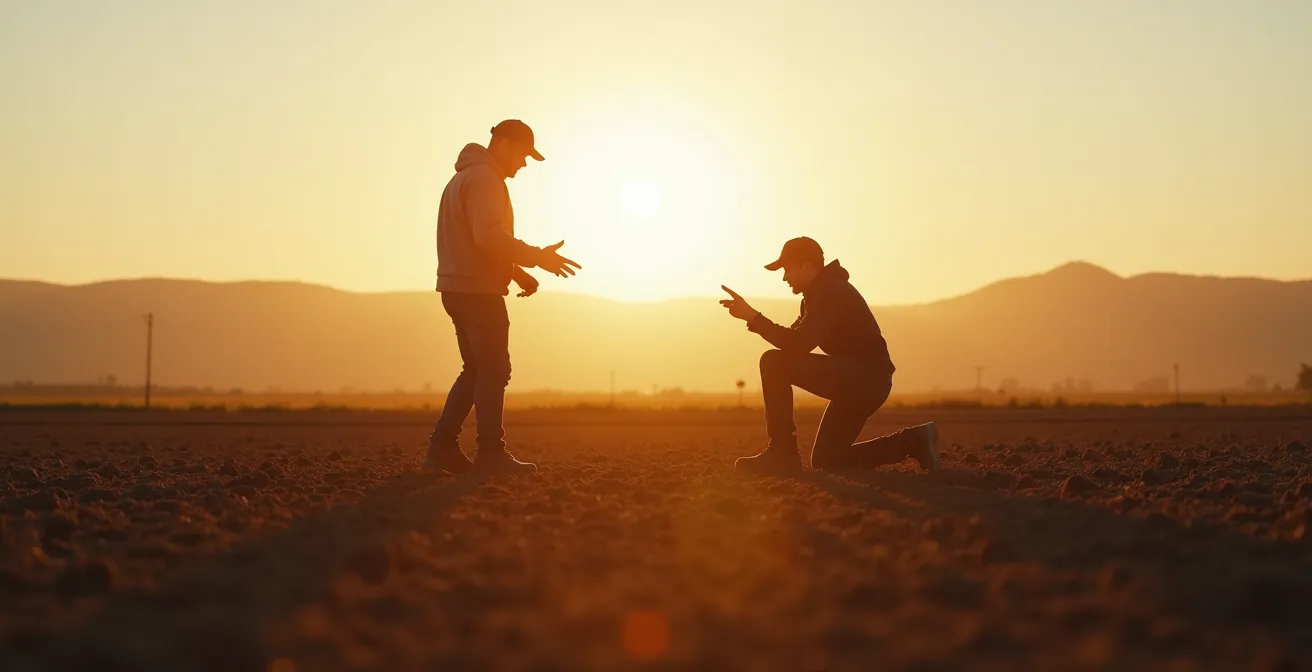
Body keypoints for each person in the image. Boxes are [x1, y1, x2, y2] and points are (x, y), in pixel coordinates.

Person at [422, 120, 581, 474]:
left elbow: (472, 242)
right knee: (494, 369)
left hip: (456, 289)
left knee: (476, 369)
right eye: (523, 154)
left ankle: (441, 449)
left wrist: (517, 272)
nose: (523, 164)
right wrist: (538, 256)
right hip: (478, 294)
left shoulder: (462, 179)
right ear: (505, 143)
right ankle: (491, 454)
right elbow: (488, 237)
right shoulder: (484, 180)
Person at [719, 237, 939, 475]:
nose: (784, 278)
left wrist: (753, 317)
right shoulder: (817, 297)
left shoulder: (831, 293)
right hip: (861, 383)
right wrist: (752, 318)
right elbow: (793, 340)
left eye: (786, 269)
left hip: (864, 380)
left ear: (806, 265)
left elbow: (797, 345)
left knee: (773, 362)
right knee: (828, 460)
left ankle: (782, 453)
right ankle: (913, 441)